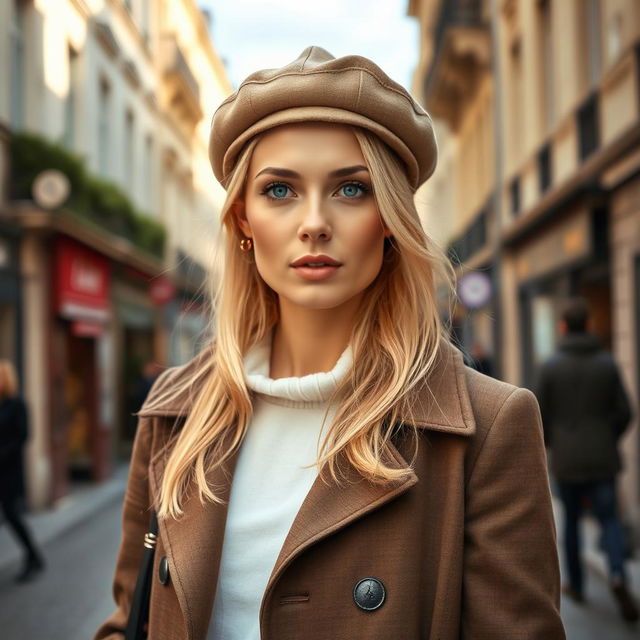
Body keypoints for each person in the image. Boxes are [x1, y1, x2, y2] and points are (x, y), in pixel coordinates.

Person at [95, 47, 564, 639]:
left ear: (391, 220)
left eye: (351, 190)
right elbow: (128, 620)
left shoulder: (488, 427)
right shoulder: (176, 411)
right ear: (243, 219)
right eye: (280, 190)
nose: (313, 222)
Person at [535, 297, 638, 622]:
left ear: (563, 327)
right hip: (602, 458)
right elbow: (625, 412)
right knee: (609, 520)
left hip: (567, 462)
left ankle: (576, 585)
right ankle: (619, 575)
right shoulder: (607, 363)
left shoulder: (551, 366)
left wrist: (553, 445)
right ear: (590, 325)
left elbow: (541, 416)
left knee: (573, 525)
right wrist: (608, 437)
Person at [0, 359, 45, 583]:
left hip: (9, 471)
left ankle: (33, 555)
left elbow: (23, 436)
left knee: (12, 515)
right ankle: (34, 556)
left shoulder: (17, 404)